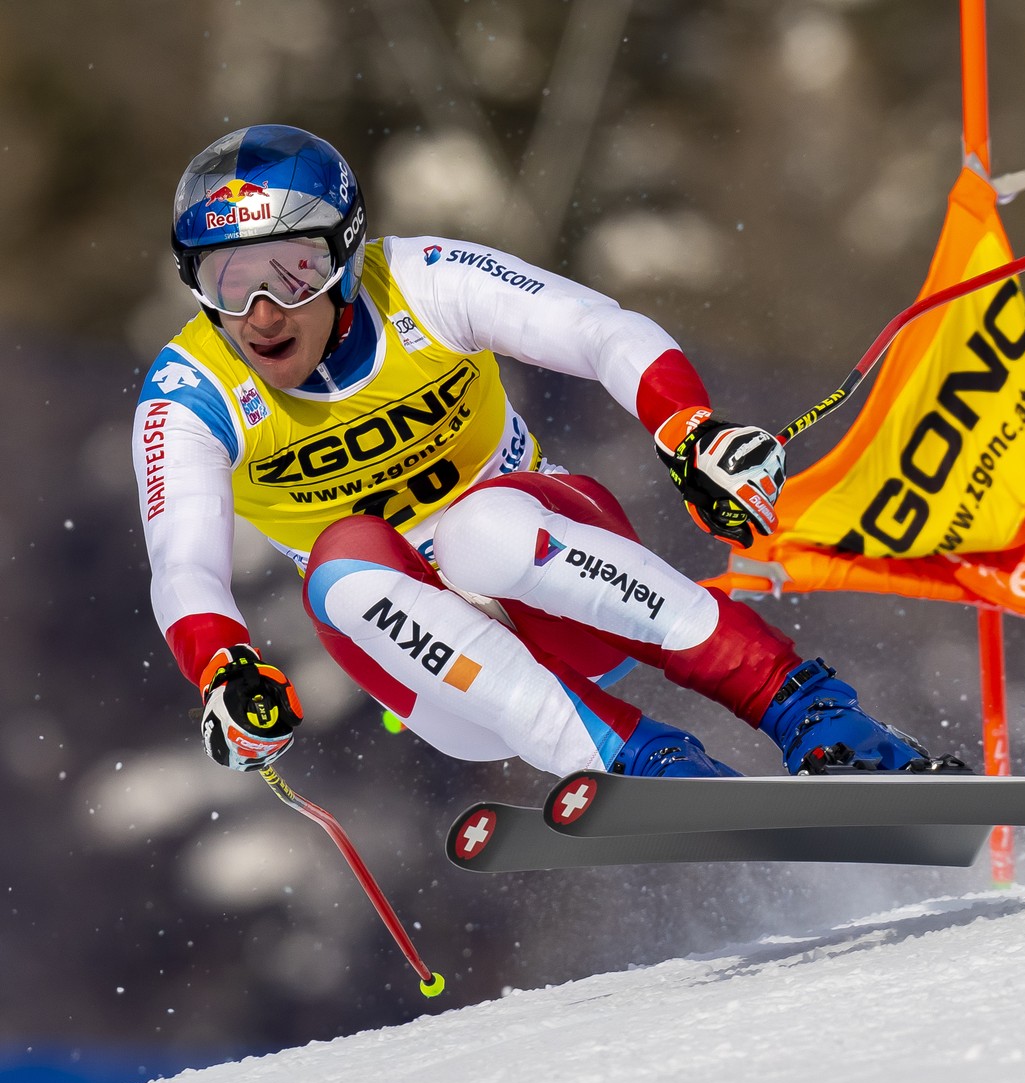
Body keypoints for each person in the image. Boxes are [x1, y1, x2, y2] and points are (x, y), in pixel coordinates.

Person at [133, 124, 962, 782]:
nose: (263, 313)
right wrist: (224, 670)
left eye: (294, 271)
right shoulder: (191, 394)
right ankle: (643, 766)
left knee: (480, 529)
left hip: (564, 586)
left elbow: (601, 329)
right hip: (449, 679)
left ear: (347, 258)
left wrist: (689, 431)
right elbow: (183, 568)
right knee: (342, 565)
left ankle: (805, 710)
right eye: (228, 283)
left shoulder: (420, 283)